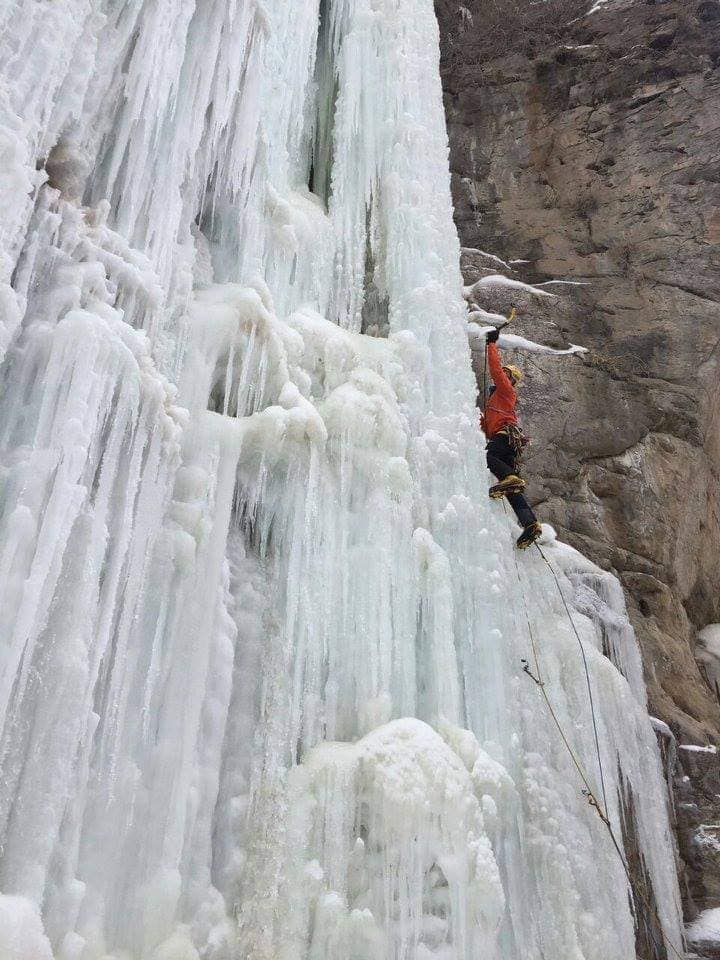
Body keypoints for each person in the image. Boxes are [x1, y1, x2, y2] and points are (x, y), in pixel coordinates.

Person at [481, 327, 542, 549]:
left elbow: (496, 370)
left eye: (507, 375)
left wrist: (491, 344)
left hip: (506, 435)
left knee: (488, 458)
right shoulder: (495, 403)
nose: (502, 376)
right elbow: (485, 428)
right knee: (512, 489)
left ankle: (507, 476)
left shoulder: (507, 391)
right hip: (507, 441)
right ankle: (530, 523)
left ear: (511, 380)